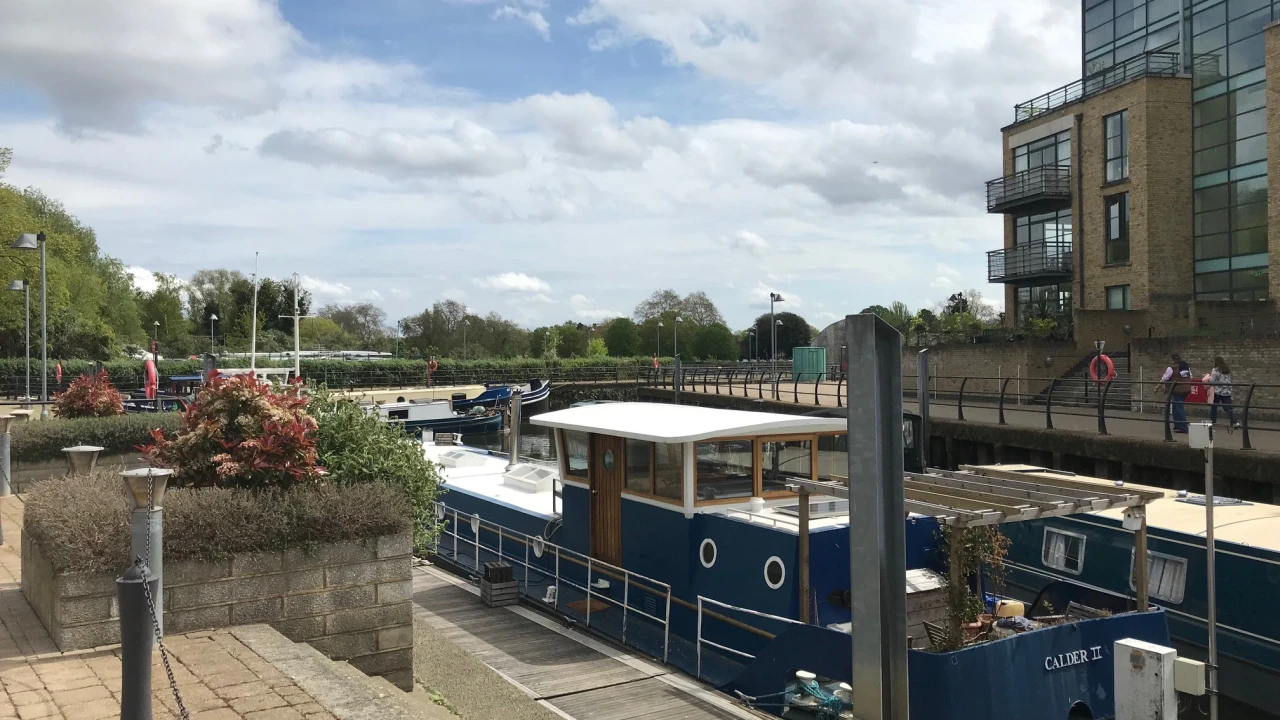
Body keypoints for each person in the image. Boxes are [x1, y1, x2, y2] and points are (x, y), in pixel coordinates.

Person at [1161, 354, 1191, 434]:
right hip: (1186, 388)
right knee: (1175, 407)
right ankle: (1178, 426)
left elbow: (1165, 378)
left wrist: (1157, 386)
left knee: (1178, 407)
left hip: (1177, 389)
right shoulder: (1185, 366)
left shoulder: (1171, 368)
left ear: (1172, 359)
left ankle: (1183, 427)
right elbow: (1190, 376)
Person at [1209, 356, 1240, 430]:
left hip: (1217, 391)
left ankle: (1213, 422)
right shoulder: (1227, 370)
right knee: (1227, 407)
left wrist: (1208, 379)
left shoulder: (1215, 370)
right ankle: (1235, 422)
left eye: (1213, 361)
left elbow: (1212, 380)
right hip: (1227, 391)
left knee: (1214, 407)